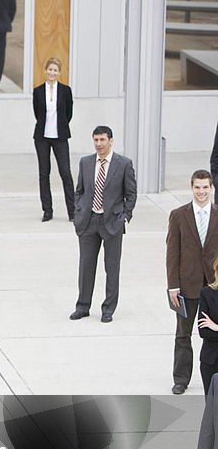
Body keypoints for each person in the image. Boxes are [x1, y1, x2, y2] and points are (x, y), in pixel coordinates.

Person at [70, 126, 136, 323]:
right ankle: (82, 306)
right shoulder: (86, 162)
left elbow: (131, 193)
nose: (99, 144)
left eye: (102, 140)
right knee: (86, 266)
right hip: (88, 222)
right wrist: (79, 212)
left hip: (112, 223)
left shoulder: (123, 164)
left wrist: (124, 216)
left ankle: (108, 309)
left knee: (112, 267)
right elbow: (79, 190)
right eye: (96, 140)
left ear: (111, 141)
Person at [168, 170, 218, 394]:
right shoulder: (179, 215)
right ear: (191, 188)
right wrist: (172, 285)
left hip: (214, 286)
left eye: (205, 187)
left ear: (211, 188)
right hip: (186, 286)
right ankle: (181, 379)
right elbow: (172, 253)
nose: (201, 192)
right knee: (183, 334)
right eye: (197, 187)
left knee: (214, 332)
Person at [33, 58, 75, 222]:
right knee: (44, 173)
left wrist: (61, 126)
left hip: (60, 136)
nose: (52, 73)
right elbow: (37, 112)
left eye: (55, 70)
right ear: (45, 70)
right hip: (42, 137)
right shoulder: (38, 91)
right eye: (50, 69)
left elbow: (68, 113)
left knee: (65, 173)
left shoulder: (65, 90)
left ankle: (72, 211)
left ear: (59, 72)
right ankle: (47, 210)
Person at [197, 258, 218, 394]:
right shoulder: (207, 293)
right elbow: (204, 332)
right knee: (212, 408)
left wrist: (216, 327)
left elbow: (211, 330)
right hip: (211, 360)